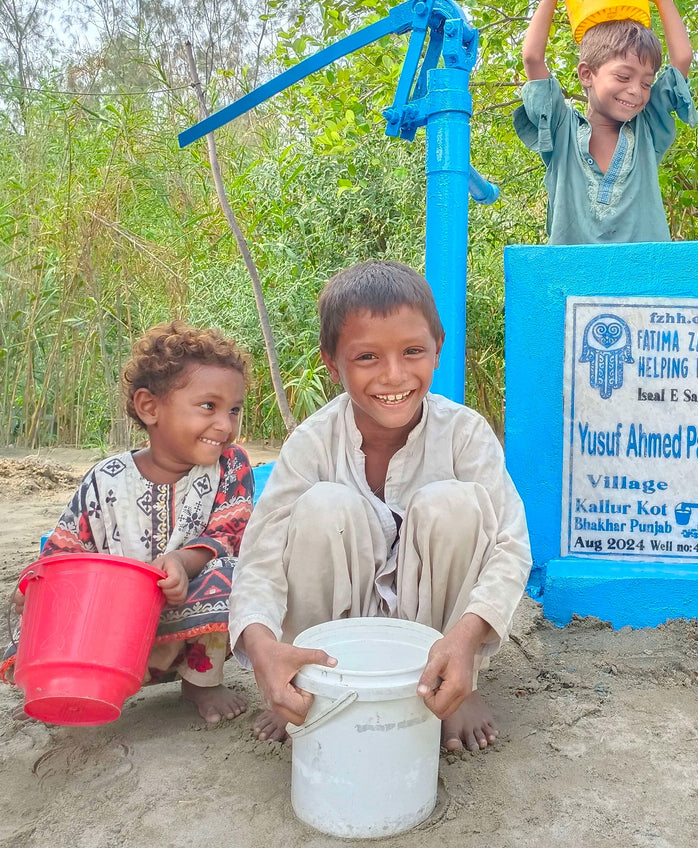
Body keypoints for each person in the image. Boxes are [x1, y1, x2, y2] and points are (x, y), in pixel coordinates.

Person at [230, 260, 532, 751]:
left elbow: (511, 546)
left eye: (412, 351)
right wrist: (263, 649)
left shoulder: (464, 433)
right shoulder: (312, 442)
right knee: (324, 508)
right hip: (336, 637)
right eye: (367, 357)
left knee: (455, 506)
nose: (394, 375)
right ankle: (306, 681)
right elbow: (260, 558)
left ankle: (457, 683)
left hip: (434, 634)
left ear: (438, 351)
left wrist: (467, 639)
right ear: (333, 364)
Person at [2, 321, 254, 724]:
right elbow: (66, 547)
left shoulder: (230, 467)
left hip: (188, 622)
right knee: (40, 589)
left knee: (230, 572)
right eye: (209, 406)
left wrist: (184, 562)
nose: (225, 425)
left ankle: (200, 683)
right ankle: (64, 683)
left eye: (234, 410)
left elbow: (230, 531)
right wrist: (34, 586)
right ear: (149, 407)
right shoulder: (106, 478)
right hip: (110, 632)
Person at [513, 0, 697, 245]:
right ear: (587, 74)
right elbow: (532, 58)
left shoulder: (647, 130)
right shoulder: (562, 129)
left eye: (647, 83)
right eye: (623, 77)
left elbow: (683, 58)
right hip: (574, 285)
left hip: (643, 284)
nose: (636, 90)